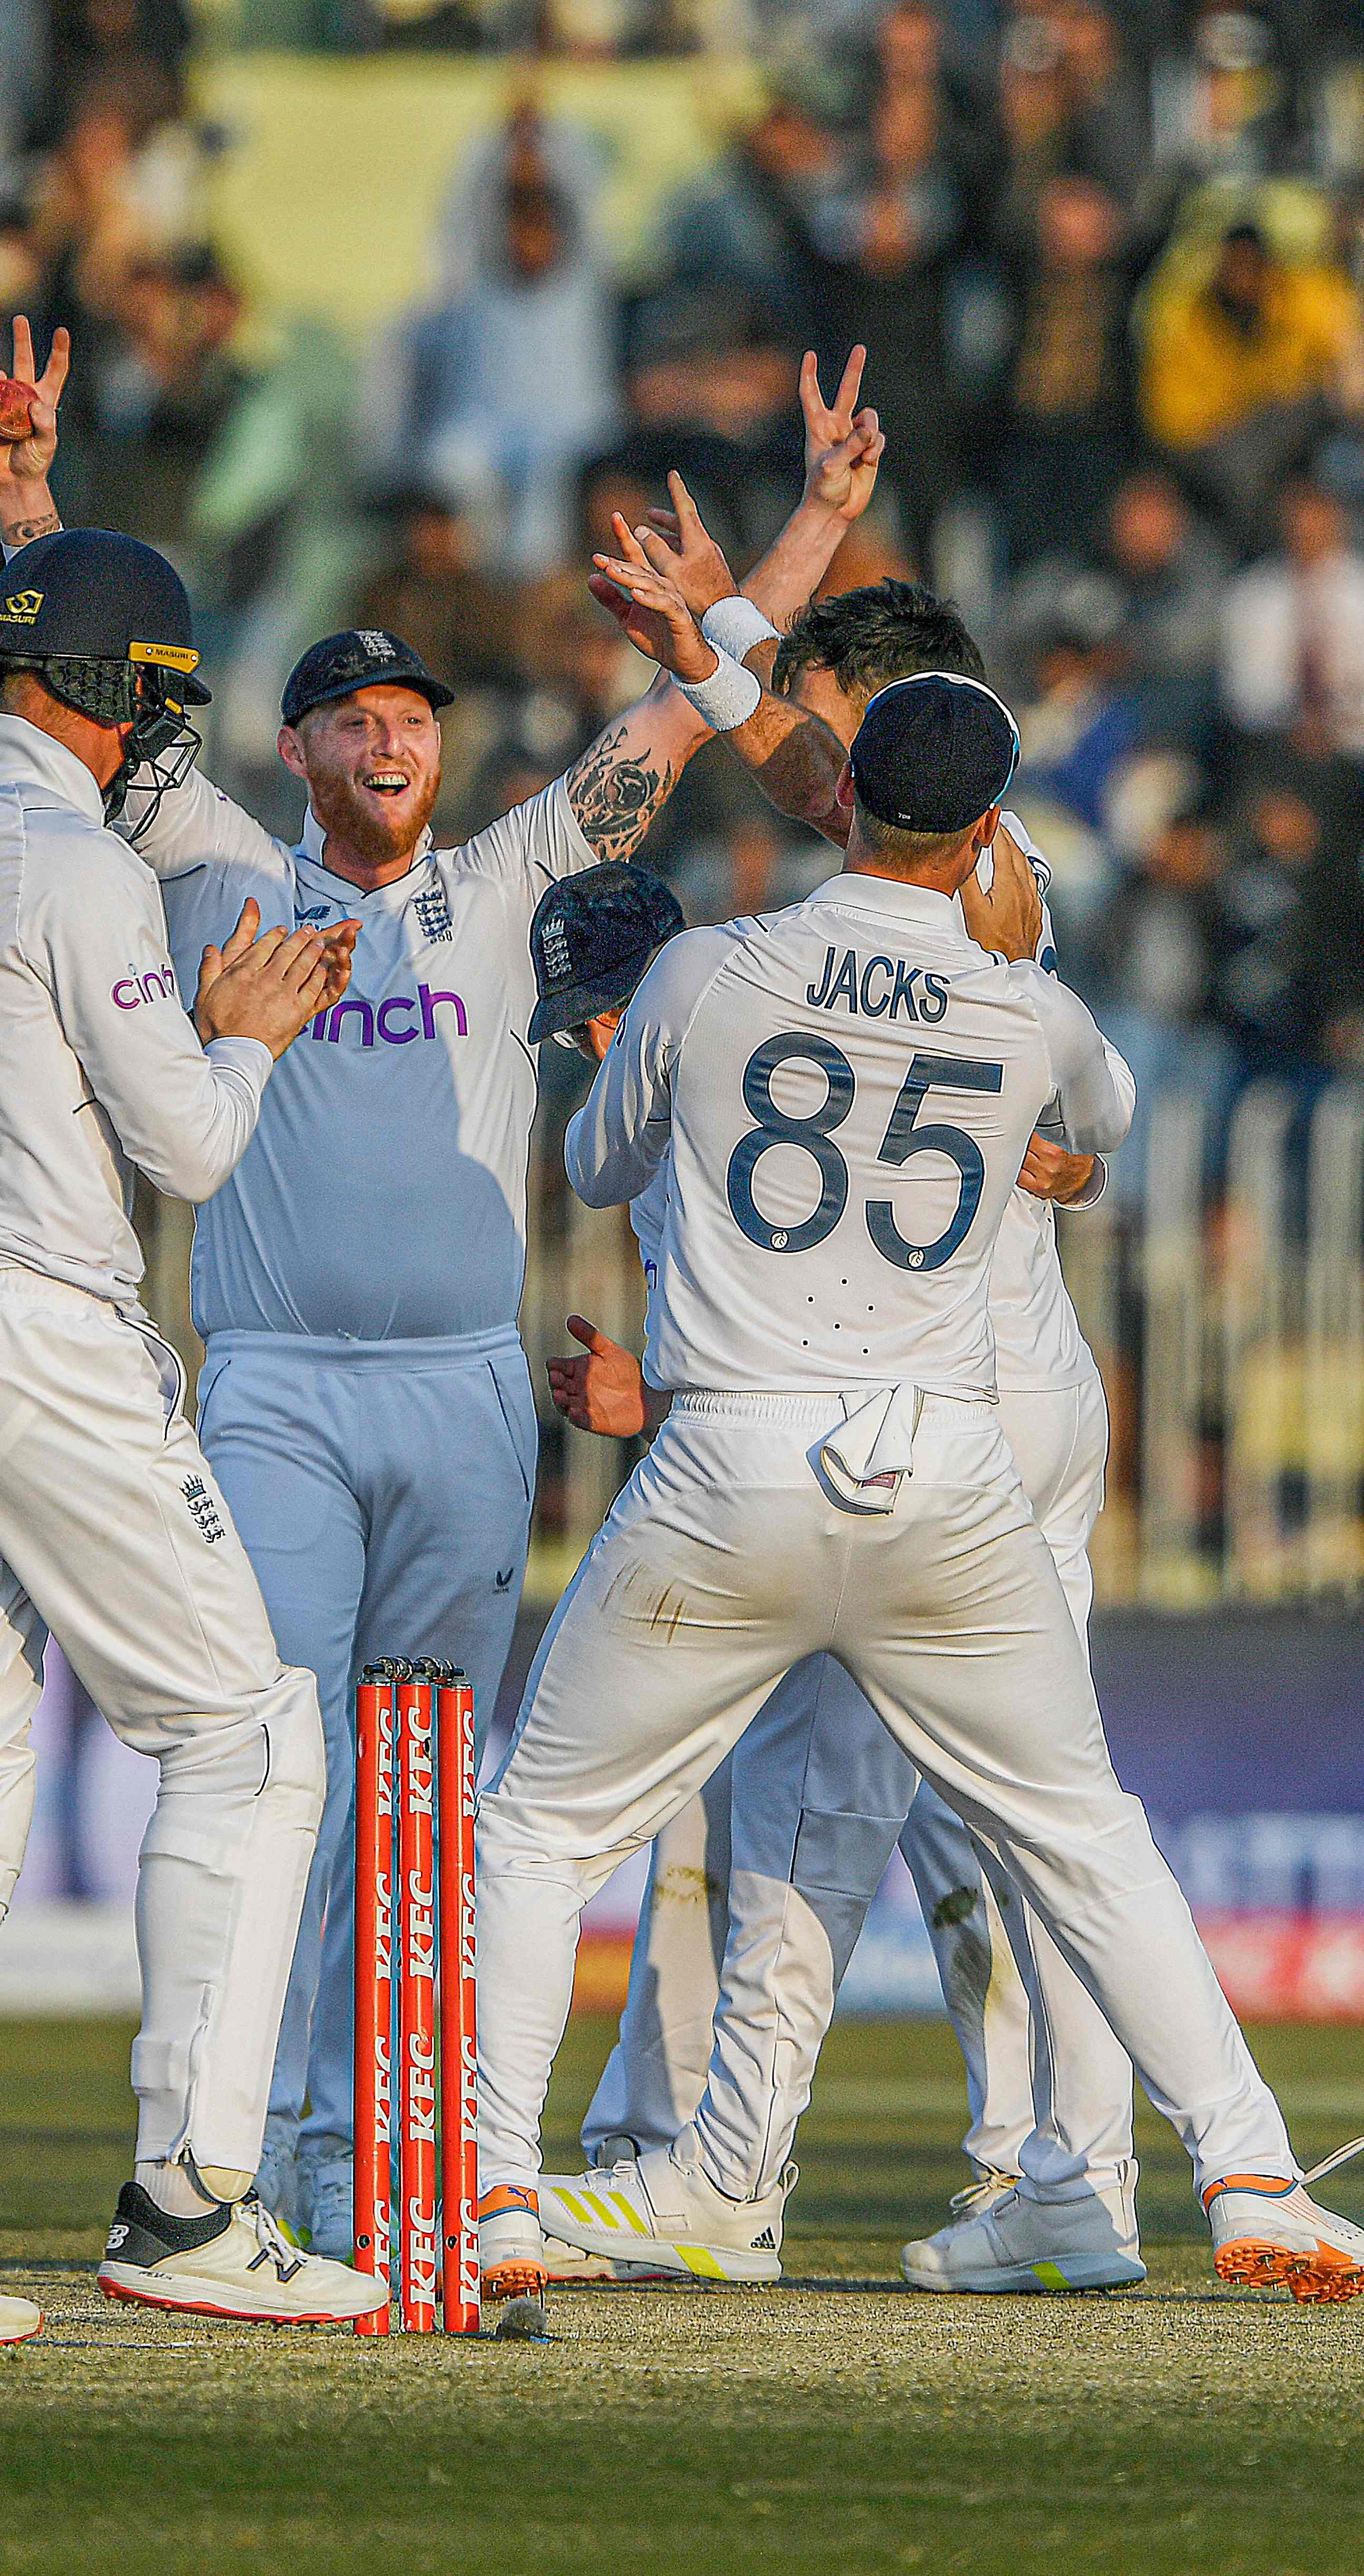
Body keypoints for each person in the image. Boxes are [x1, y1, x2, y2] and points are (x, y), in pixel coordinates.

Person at [0, 318, 887, 2258]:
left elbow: (693, 721)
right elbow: (66, 681)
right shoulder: (213, 862)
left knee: (434, 1813)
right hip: (282, 1392)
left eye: (415, 716)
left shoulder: (507, 878)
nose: (394, 736)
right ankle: (267, 2159)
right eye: (355, 716)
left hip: (467, 1396)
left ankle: (386, 2154)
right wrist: (30, 491)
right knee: (278, 1776)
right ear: (288, 751)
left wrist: (806, 528)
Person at [473, 672, 1364, 2310]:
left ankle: (495, 2204)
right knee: (1092, 1839)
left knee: (536, 1828)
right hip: (944, 1470)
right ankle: (1246, 2169)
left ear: (856, 796)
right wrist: (1048, 1126)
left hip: (732, 1454)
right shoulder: (1030, 1009)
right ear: (987, 832)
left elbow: (599, 1162)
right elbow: (1103, 1126)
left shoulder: (701, 967)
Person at [0, 527, 387, 2345]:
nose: (156, 741)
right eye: (153, 701)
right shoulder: (74, 856)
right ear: (108, 690)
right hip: (29, 1321)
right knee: (253, 1738)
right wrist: (245, 1030)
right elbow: (188, 1146)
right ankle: (192, 2202)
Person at [538, 570, 1143, 2295]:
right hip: (981, 1403)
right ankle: (1069, 2181)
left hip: (926, 1417)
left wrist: (722, 648)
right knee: (1043, 1826)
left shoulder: (977, 867)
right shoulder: (972, 887)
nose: (822, 765)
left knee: (813, 1813)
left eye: (843, 722)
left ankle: (719, 2173)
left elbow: (833, 790)